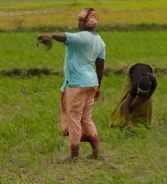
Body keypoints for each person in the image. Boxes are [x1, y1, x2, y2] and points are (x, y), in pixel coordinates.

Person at [37, 8, 105, 161]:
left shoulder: (81, 37)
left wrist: (50, 35)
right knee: (86, 118)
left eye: (80, 21)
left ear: (84, 23)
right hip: (91, 83)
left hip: (76, 84)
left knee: (73, 118)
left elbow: (64, 37)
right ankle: (96, 152)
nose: (78, 23)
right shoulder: (100, 41)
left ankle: (74, 155)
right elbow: (100, 66)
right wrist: (98, 87)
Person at [110, 63, 157, 128]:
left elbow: (147, 97)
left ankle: (145, 122)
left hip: (149, 68)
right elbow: (126, 105)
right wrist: (128, 122)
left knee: (147, 102)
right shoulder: (134, 85)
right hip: (133, 69)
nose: (141, 96)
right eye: (140, 94)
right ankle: (121, 121)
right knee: (125, 100)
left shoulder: (153, 81)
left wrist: (135, 104)